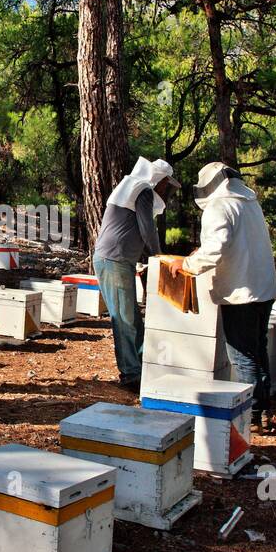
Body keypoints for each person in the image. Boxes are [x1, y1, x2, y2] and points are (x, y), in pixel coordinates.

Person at [183, 163, 276, 427]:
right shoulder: (250, 204)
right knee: (258, 350)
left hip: (241, 292)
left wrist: (188, 265)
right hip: (264, 289)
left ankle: (253, 415)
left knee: (242, 356)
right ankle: (265, 409)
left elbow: (215, 249)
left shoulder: (220, 206)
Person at [93, 156, 176, 393]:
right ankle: (131, 374)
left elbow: (127, 229)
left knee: (131, 318)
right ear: (159, 179)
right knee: (125, 319)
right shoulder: (144, 190)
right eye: (166, 184)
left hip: (116, 260)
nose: (166, 190)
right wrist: (160, 257)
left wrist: (144, 259)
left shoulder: (131, 187)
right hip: (115, 260)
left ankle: (141, 367)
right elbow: (147, 229)